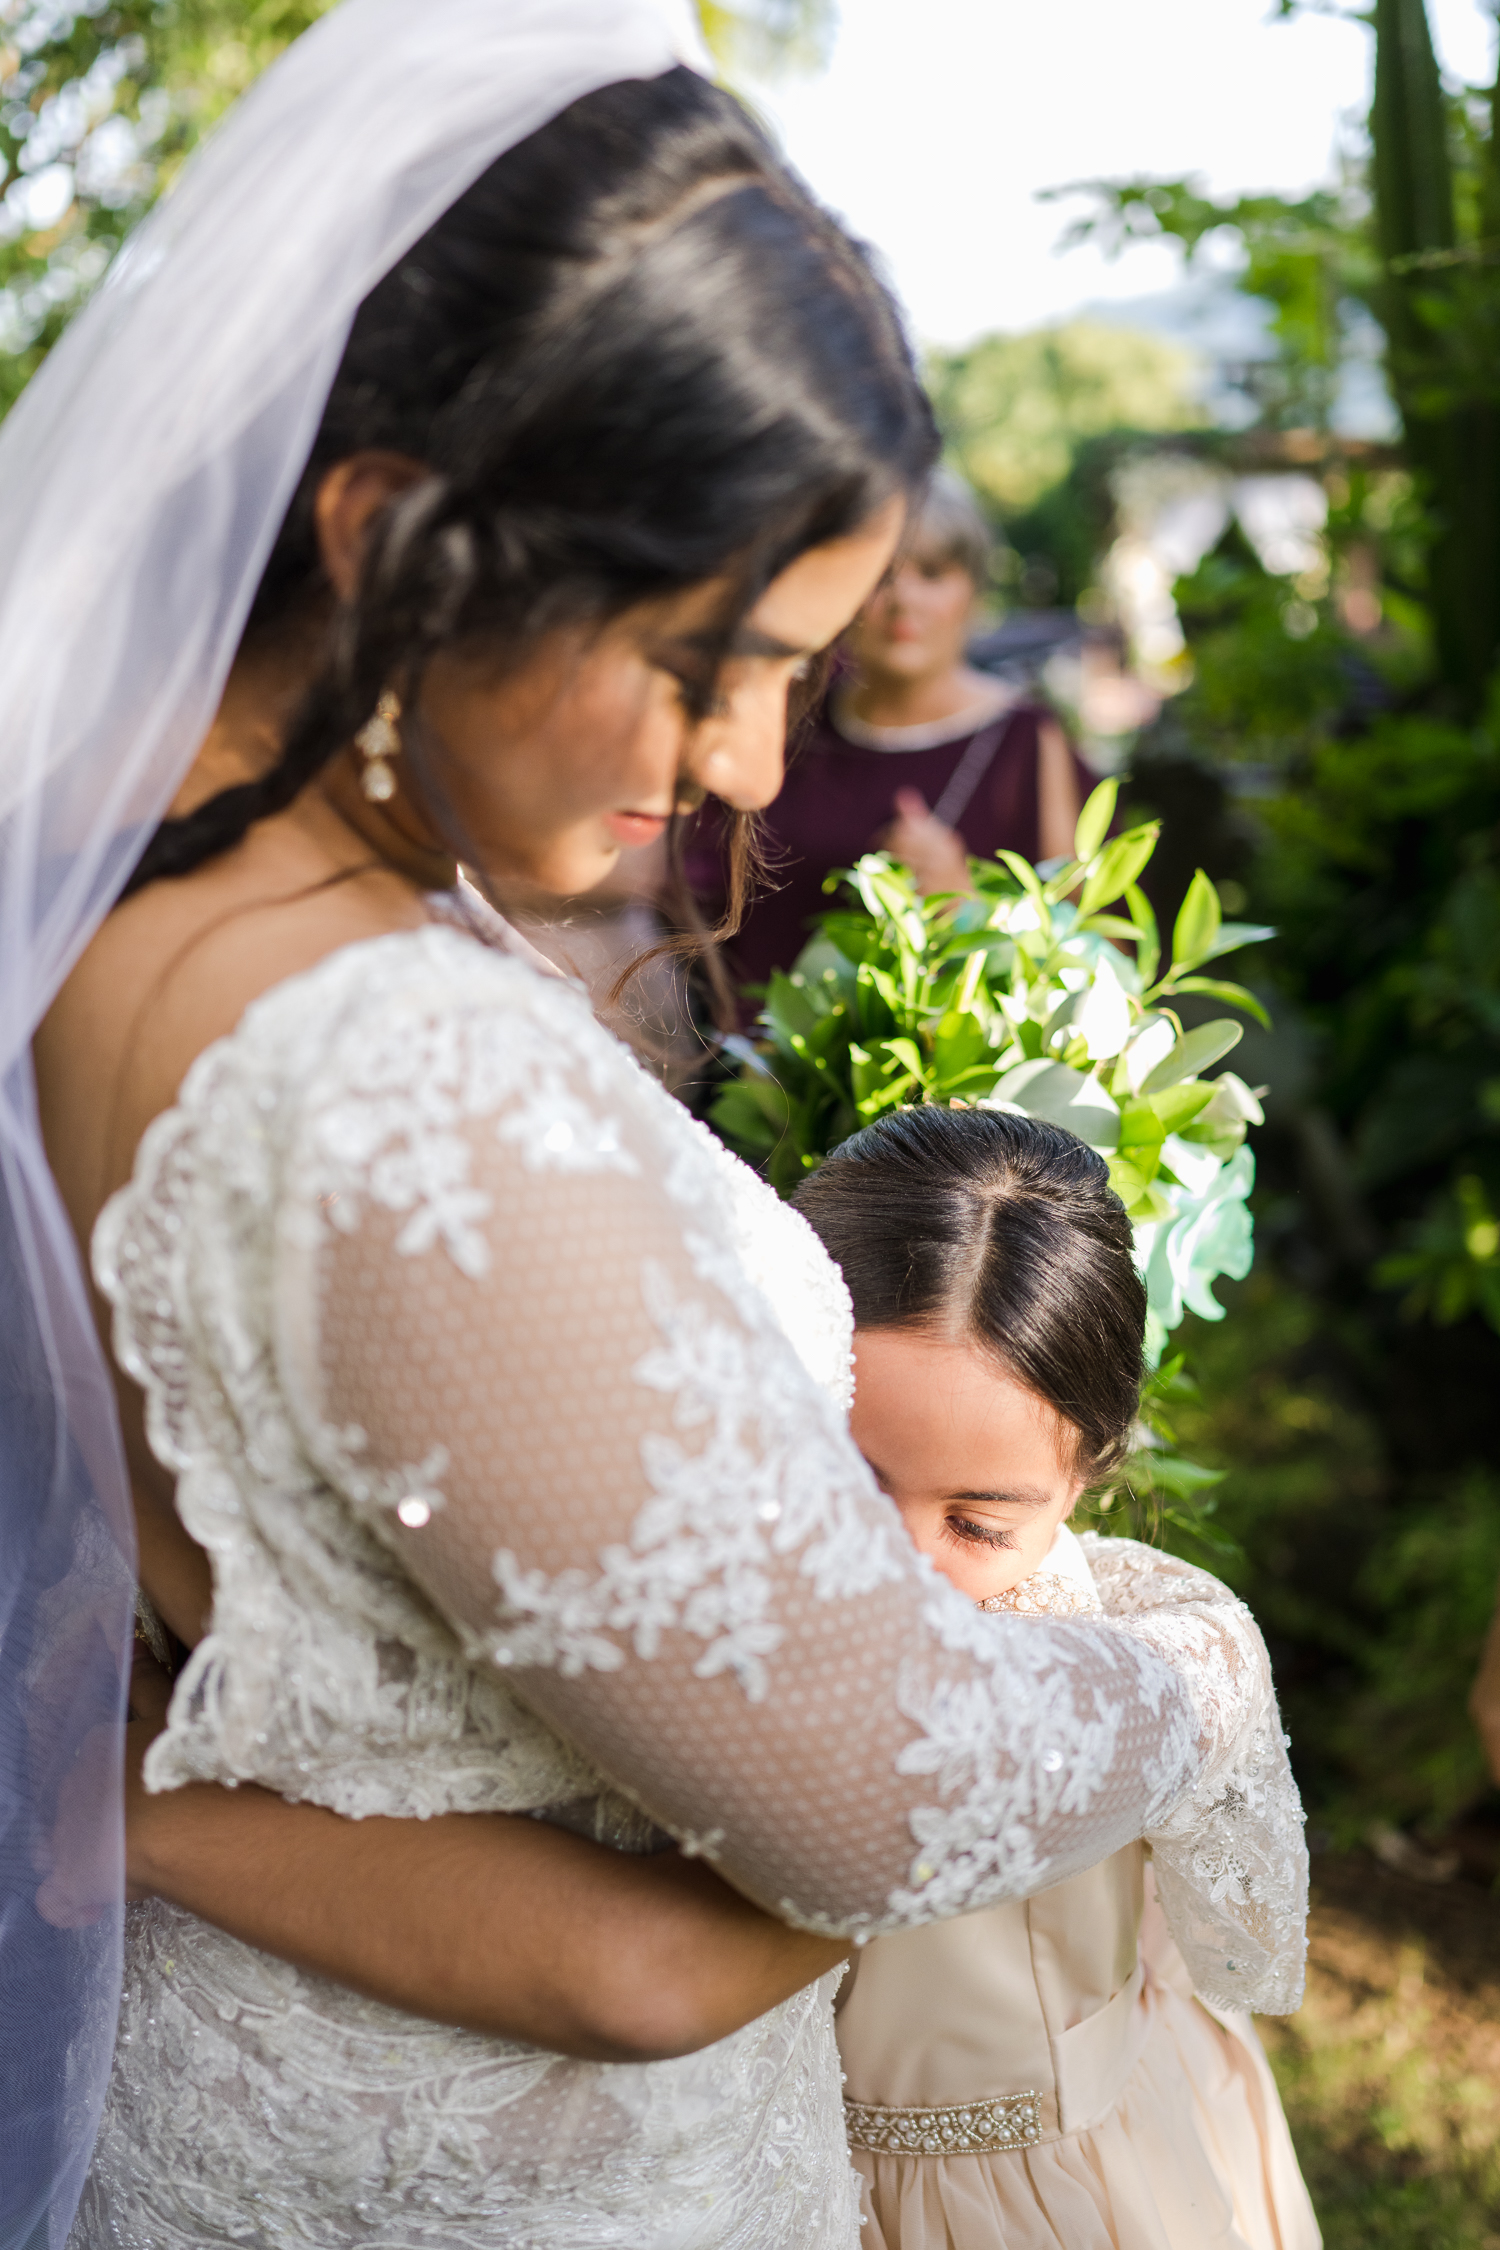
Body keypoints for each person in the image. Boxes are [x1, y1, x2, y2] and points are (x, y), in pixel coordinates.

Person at [5, 5, 1300, 2243]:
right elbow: (875, 1804)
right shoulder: (394, 1087)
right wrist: (1192, 1669)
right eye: (716, 661)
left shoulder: (113, 889)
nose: (748, 769)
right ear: (397, 529)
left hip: (255, 2051)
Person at [792, 1108, 1318, 2250]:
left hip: (1038, 2199)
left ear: (1085, 1477)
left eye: (975, 1525)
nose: (899, 1574)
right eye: (843, 1479)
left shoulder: (1134, 1652)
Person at [687, 469, 1098, 999]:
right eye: (880, 577)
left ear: (970, 588)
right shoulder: (790, 720)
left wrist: (963, 902)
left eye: (931, 572)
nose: (904, 601)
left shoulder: (1027, 742)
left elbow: (1086, 959)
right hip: (741, 1061)